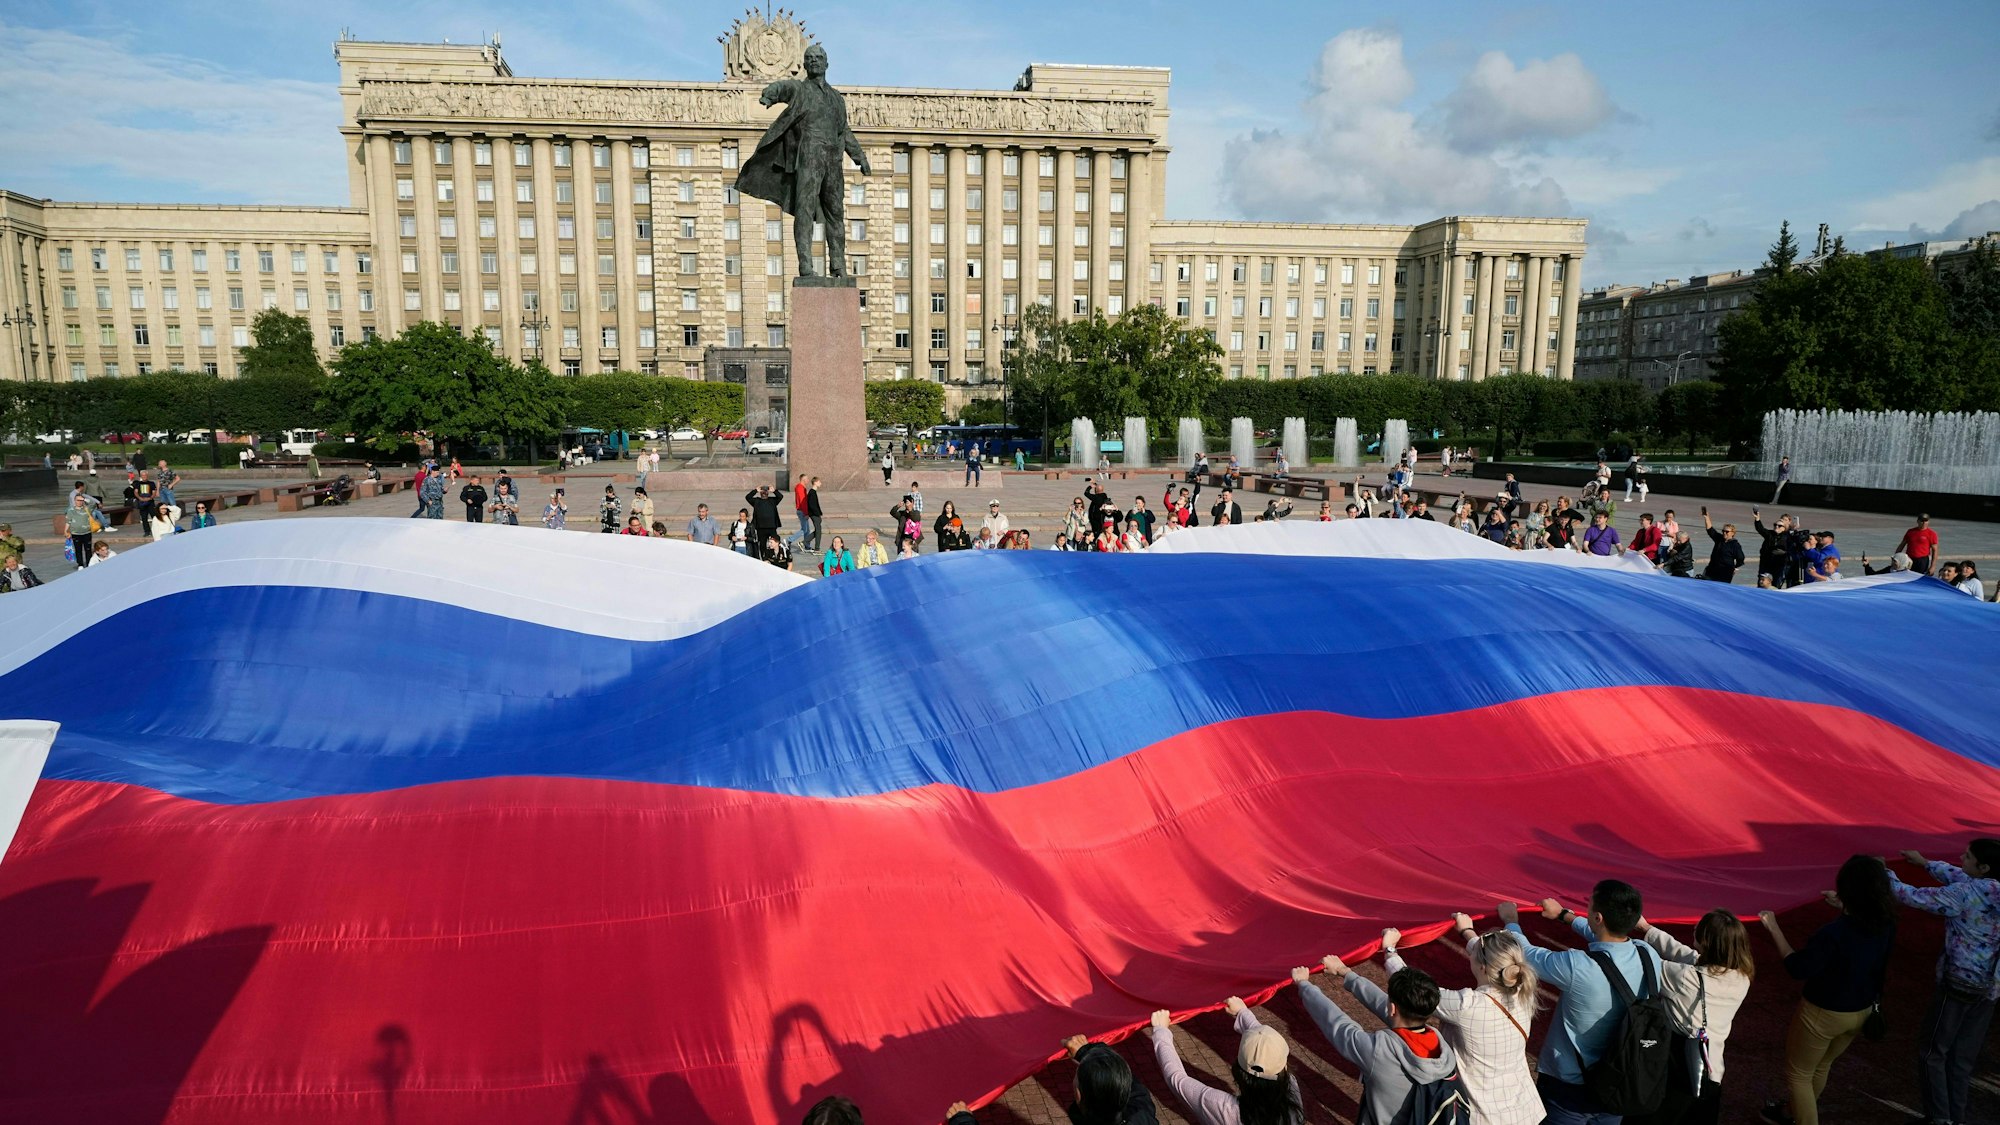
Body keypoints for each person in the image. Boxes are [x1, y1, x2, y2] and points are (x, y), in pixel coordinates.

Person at [1500, 881, 1663, 1125]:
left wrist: (1510, 921)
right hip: (1622, 1081)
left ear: (1597, 917)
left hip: (1569, 1088)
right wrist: (1564, 915)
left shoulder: (1577, 965)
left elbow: (1526, 954)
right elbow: (1607, 938)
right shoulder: (1648, 954)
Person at [1756, 856, 1898, 1125]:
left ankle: (1798, 1117)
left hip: (1823, 1014)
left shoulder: (1833, 933)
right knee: (1821, 1065)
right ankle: (1791, 1114)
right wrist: (1845, 905)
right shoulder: (1886, 923)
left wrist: (1773, 928)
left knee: (1799, 1074)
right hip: (1862, 1010)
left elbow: (1798, 968)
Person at [1384, 915, 1542, 1125]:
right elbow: (1494, 958)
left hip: (1483, 1117)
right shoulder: (1522, 989)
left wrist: (1389, 951)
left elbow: (1414, 990)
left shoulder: (1467, 1005)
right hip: (1524, 1110)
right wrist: (1467, 931)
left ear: (1482, 967)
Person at [1888, 842, 2000, 1125]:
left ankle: (1939, 1118)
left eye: (1968, 856)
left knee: (1933, 1053)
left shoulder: (1964, 894)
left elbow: (1910, 895)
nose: (1961, 858)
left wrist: (1881, 873)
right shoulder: (1989, 888)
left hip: (1958, 984)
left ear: (1984, 867)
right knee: (1962, 1059)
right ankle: (1956, 1119)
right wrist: (1925, 863)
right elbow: (1960, 875)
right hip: (1990, 990)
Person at [1612, 911, 1756, 1125]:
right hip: (1708, 1075)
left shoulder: (1684, 977)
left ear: (1706, 942)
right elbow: (1686, 954)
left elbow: (1643, 962)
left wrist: (1611, 936)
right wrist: (1646, 928)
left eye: (1699, 928)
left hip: (1674, 1073)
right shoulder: (1741, 977)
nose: (1694, 928)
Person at [1293, 952, 1468, 1125]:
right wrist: (1346, 973)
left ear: (1393, 1008)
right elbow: (1388, 1009)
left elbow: (1339, 1026)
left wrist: (1305, 986)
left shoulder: (1379, 1050)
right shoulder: (1441, 1046)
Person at [1148, 999, 1304, 1125]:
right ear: (1284, 1067)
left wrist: (1161, 1031)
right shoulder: (1292, 1094)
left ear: (1239, 1072)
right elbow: (1265, 1045)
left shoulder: (1222, 1107)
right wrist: (1243, 1013)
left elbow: (1177, 1079)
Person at [1699, 509, 1744, 582]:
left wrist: (1734, 567)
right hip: (1711, 571)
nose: (1724, 533)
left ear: (1733, 533)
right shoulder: (1719, 539)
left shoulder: (1735, 545)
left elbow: (1741, 558)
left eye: (1727, 531)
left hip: (1724, 574)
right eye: (1723, 531)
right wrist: (1707, 518)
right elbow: (1710, 529)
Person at [746, 485, 784, 556]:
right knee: (762, 545)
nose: (764, 493)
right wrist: (755, 490)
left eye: (765, 491)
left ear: (768, 493)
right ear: (760, 493)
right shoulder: (756, 501)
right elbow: (748, 497)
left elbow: (780, 496)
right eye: (763, 492)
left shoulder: (773, 500)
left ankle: (774, 556)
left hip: (772, 527)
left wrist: (774, 491)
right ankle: (764, 558)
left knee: (774, 542)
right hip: (761, 528)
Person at [63, 494, 95, 569]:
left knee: (88, 549)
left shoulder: (87, 509)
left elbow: (93, 503)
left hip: (87, 533)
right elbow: (68, 521)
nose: (79, 502)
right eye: (78, 500)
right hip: (75, 533)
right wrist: (65, 531)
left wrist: (84, 499)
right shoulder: (71, 510)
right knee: (78, 550)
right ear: (74, 501)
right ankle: (80, 564)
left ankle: (89, 563)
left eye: (81, 500)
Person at [789, 473, 812, 548]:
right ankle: (789, 540)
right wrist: (806, 513)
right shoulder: (800, 488)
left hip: (802, 510)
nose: (808, 480)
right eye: (807, 479)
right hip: (802, 511)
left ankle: (807, 546)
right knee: (804, 530)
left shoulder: (801, 487)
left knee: (807, 530)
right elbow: (803, 501)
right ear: (803, 480)